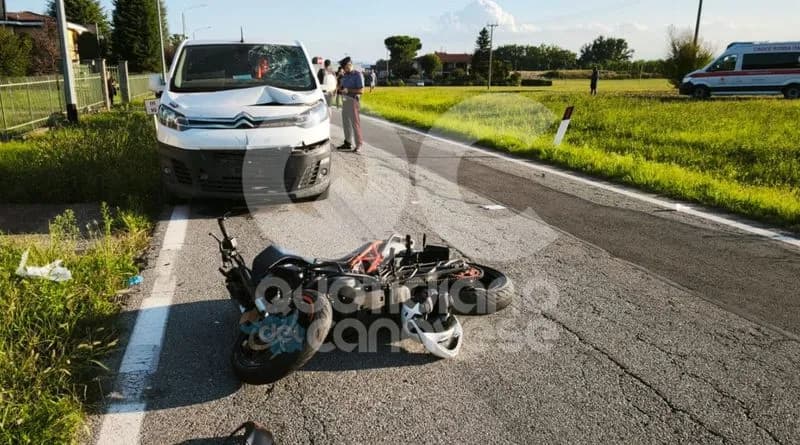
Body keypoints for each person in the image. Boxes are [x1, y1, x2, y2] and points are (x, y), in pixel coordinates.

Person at [337, 56, 364, 152]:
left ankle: (359, 144)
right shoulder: (345, 76)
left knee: (355, 123)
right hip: (345, 101)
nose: (344, 70)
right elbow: (342, 87)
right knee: (346, 122)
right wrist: (340, 89)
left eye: (345, 67)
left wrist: (348, 90)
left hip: (353, 101)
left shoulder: (357, 75)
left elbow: (361, 90)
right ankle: (347, 142)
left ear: (349, 65)